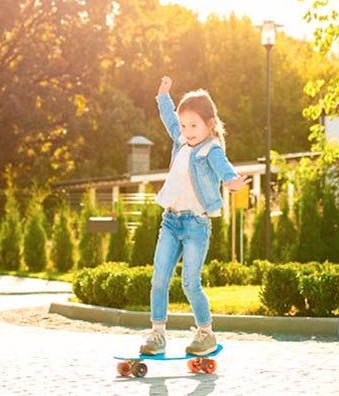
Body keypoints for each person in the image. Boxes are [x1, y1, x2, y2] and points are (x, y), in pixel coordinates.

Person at [139, 76, 249, 356]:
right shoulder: (181, 139)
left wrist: (233, 182)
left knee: (190, 282)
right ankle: (158, 335)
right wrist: (163, 96)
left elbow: (224, 170)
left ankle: (205, 333)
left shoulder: (211, 149)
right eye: (185, 125)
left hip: (196, 226)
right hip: (171, 221)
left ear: (209, 124)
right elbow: (169, 119)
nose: (187, 131)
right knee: (159, 279)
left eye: (193, 125)